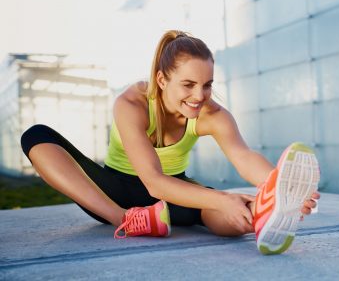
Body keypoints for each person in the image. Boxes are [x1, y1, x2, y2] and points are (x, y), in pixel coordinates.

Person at [20, 30, 320, 255]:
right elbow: (152, 182)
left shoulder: (211, 114)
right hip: (113, 191)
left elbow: (243, 156)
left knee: (231, 215)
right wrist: (222, 197)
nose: (199, 95)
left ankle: (262, 213)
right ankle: (126, 219)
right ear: (162, 80)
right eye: (188, 85)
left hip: (172, 195)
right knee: (36, 136)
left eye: (207, 84)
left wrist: (279, 187)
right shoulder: (132, 103)